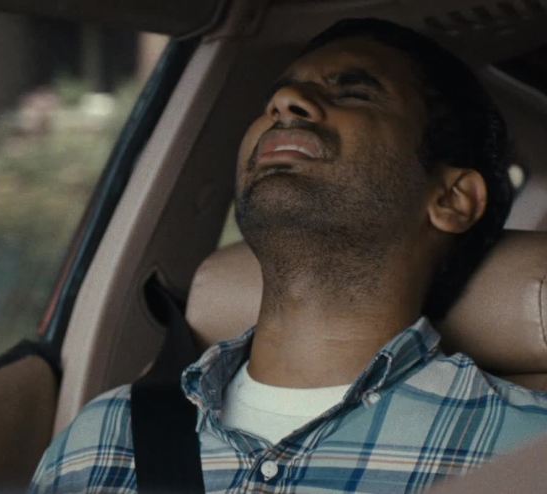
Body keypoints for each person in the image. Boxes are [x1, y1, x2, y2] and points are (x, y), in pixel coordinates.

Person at [29, 18, 547, 493]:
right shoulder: (98, 443)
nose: (285, 102)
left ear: (452, 199)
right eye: (273, 98)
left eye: (355, 92)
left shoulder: (526, 455)